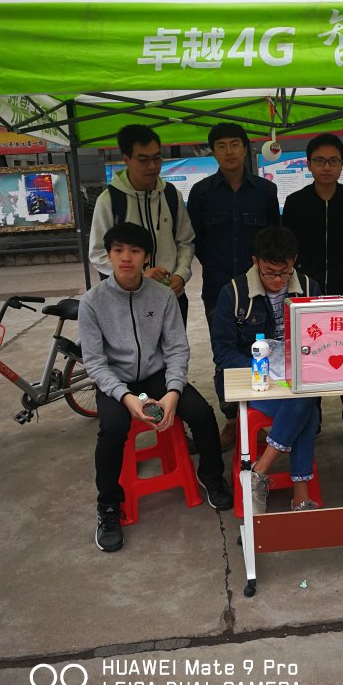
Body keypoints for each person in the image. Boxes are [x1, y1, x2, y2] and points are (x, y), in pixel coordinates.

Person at [78, 222, 232, 553]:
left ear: (146, 256)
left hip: (156, 375)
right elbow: (95, 363)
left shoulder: (162, 296)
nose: (126, 258)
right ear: (108, 256)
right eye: (118, 250)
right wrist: (125, 397)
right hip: (116, 381)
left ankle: (210, 475)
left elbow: (177, 349)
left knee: (201, 413)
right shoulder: (92, 302)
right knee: (112, 429)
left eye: (134, 251)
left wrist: (173, 392)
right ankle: (108, 505)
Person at [211, 226, 321, 514]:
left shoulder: (308, 288)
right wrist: (262, 370)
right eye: (269, 273)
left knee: (303, 398)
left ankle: (258, 471)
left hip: (294, 379)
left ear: (294, 261)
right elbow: (222, 352)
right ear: (255, 261)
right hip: (252, 380)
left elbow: (320, 340)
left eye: (284, 273)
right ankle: (300, 495)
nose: (277, 280)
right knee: (306, 406)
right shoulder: (234, 293)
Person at [187, 122, 280, 451]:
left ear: (245, 148)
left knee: (264, 348)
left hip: (262, 290)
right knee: (224, 354)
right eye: (222, 146)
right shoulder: (201, 193)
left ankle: (263, 415)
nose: (229, 151)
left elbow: (273, 239)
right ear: (213, 152)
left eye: (235, 144)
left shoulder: (265, 191)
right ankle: (232, 420)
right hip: (218, 289)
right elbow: (196, 240)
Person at [282, 133, 343, 446]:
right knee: (310, 355)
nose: (326, 167)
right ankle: (313, 419)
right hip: (307, 293)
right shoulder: (296, 203)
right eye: (320, 161)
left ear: (341, 164)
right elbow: (287, 248)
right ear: (309, 164)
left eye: (333, 161)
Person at [89, 125, 195, 325]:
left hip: (171, 296)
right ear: (126, 159)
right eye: (143, 159)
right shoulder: (110, 200)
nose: (152, 166)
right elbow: (98, 253)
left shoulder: (171, 195)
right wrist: (138, 275)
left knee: (176, 345)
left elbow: (185, 242)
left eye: (157, 158)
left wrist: (181, 275)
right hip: (127, 301)